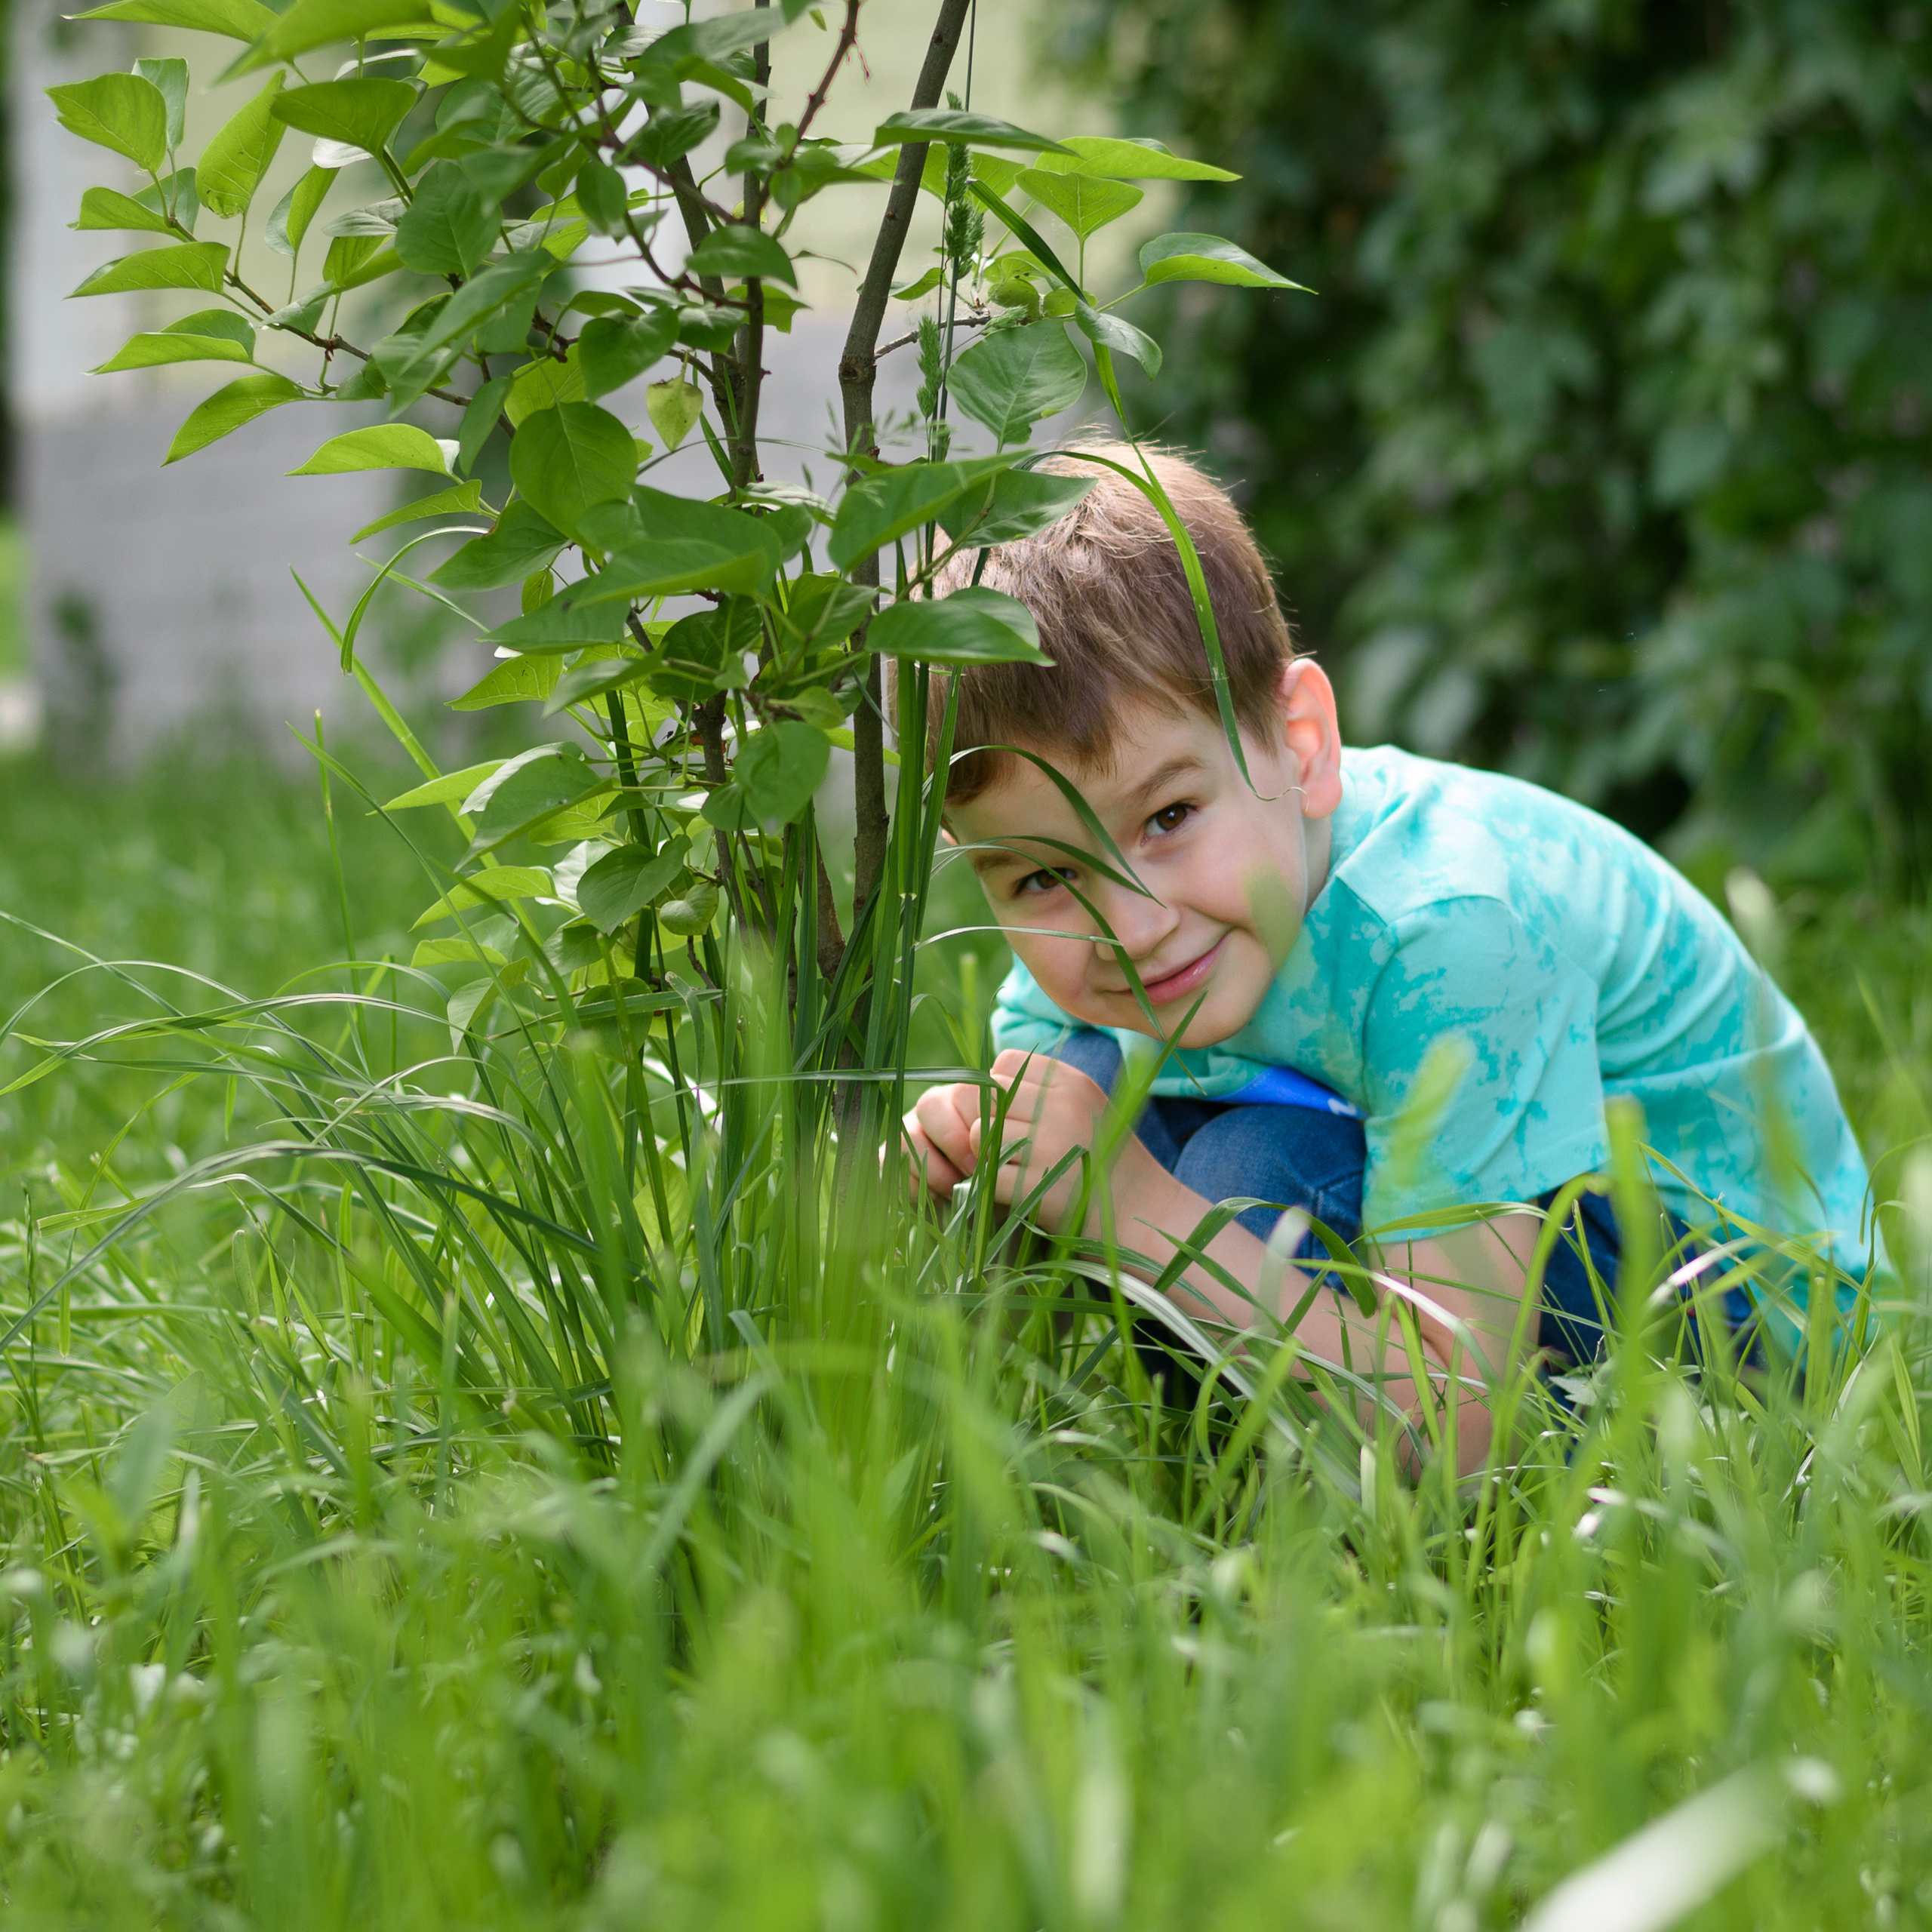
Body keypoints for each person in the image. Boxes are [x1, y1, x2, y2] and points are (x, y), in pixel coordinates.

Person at [901, 446, 1878, 1471]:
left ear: (1304, 745)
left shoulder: (1452, 933)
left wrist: (1137, 1212)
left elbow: (1470, 1425)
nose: (1132, 929)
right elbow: (1045, 1150)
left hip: (1759, 1337)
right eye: (1044, 877)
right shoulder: (1125, 941)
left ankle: (1306, 1501)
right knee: (1081, 1095)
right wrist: (959, 1164)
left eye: (1171, 817)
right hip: (1551, 1249)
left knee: (1241, 1178)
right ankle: (1239, 1475)